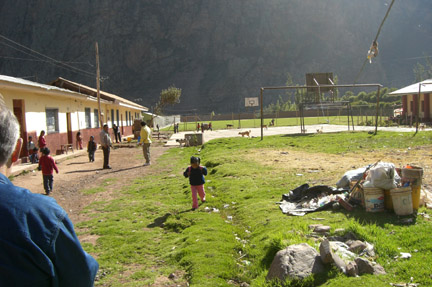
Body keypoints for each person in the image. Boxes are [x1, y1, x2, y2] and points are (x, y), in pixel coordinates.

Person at [0, 100, 99, 285]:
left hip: (44, 173)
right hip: (47, 175)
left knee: (48, 181)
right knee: (48, 181)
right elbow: (80, 276)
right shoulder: (39, 216)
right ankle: (48, 189)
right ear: (16, 150)